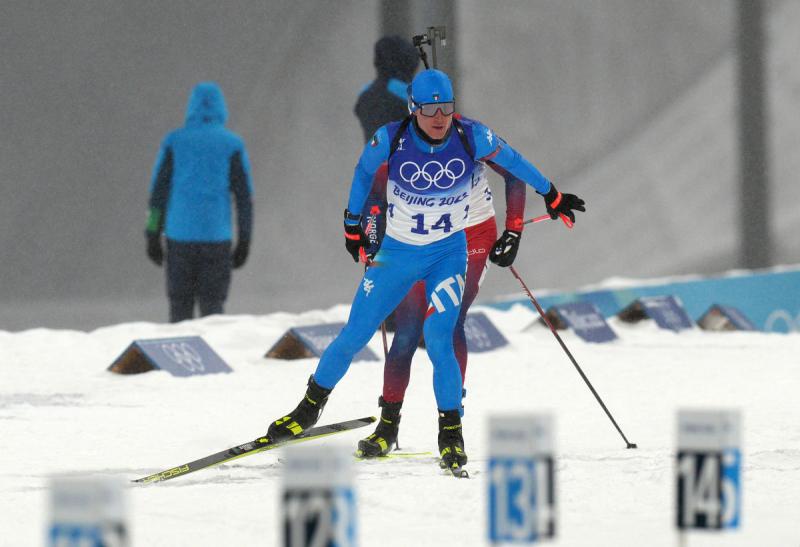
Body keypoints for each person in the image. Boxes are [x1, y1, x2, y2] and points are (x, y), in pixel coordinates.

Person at [266, 69, 584, 473]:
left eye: (446, 107)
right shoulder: (391, 138)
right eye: (430, 108)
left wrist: (552, 195)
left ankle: (450, 432)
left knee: (439, 336)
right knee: (355, 333)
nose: (439, 117)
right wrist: (351, 224)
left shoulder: (472, 136)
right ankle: (308, 410)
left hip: (447, 256)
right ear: (414, 108)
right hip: (396, 255)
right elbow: (364, 173)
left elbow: (516, 164)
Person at [145, 82, 254, 323]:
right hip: (216, 238)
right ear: (221, 108)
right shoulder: (232, 145)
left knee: (180, 306)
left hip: (179, 238)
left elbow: (158, 193)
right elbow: (244, 198)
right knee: (213, 308)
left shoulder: (174, 142)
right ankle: (211, 357)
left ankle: (180, 357)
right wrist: (244, 239)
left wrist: (152, 233)